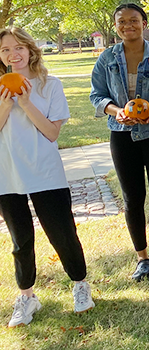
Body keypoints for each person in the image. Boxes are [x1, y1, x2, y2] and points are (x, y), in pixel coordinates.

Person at [0, 28, 95, 327]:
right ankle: (27, 297)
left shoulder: (49, 85)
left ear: (30, 50)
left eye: (18, 48)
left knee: (62, 234)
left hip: (45, 172)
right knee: (20, 241)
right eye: (4, 50)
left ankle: (80, 284)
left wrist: (26, 103)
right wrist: (5, 104)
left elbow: (53, 133)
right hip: (7, 175)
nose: (12, 55)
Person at [90, 3, 149, 282]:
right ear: (115, 25)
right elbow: (97, 95)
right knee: (132, 198)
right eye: (122, 22)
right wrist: (118, 111)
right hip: (121, 134)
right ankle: (142, 258)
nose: (128, 26)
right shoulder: (107, 58)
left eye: (134, 20)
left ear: (144, 22)